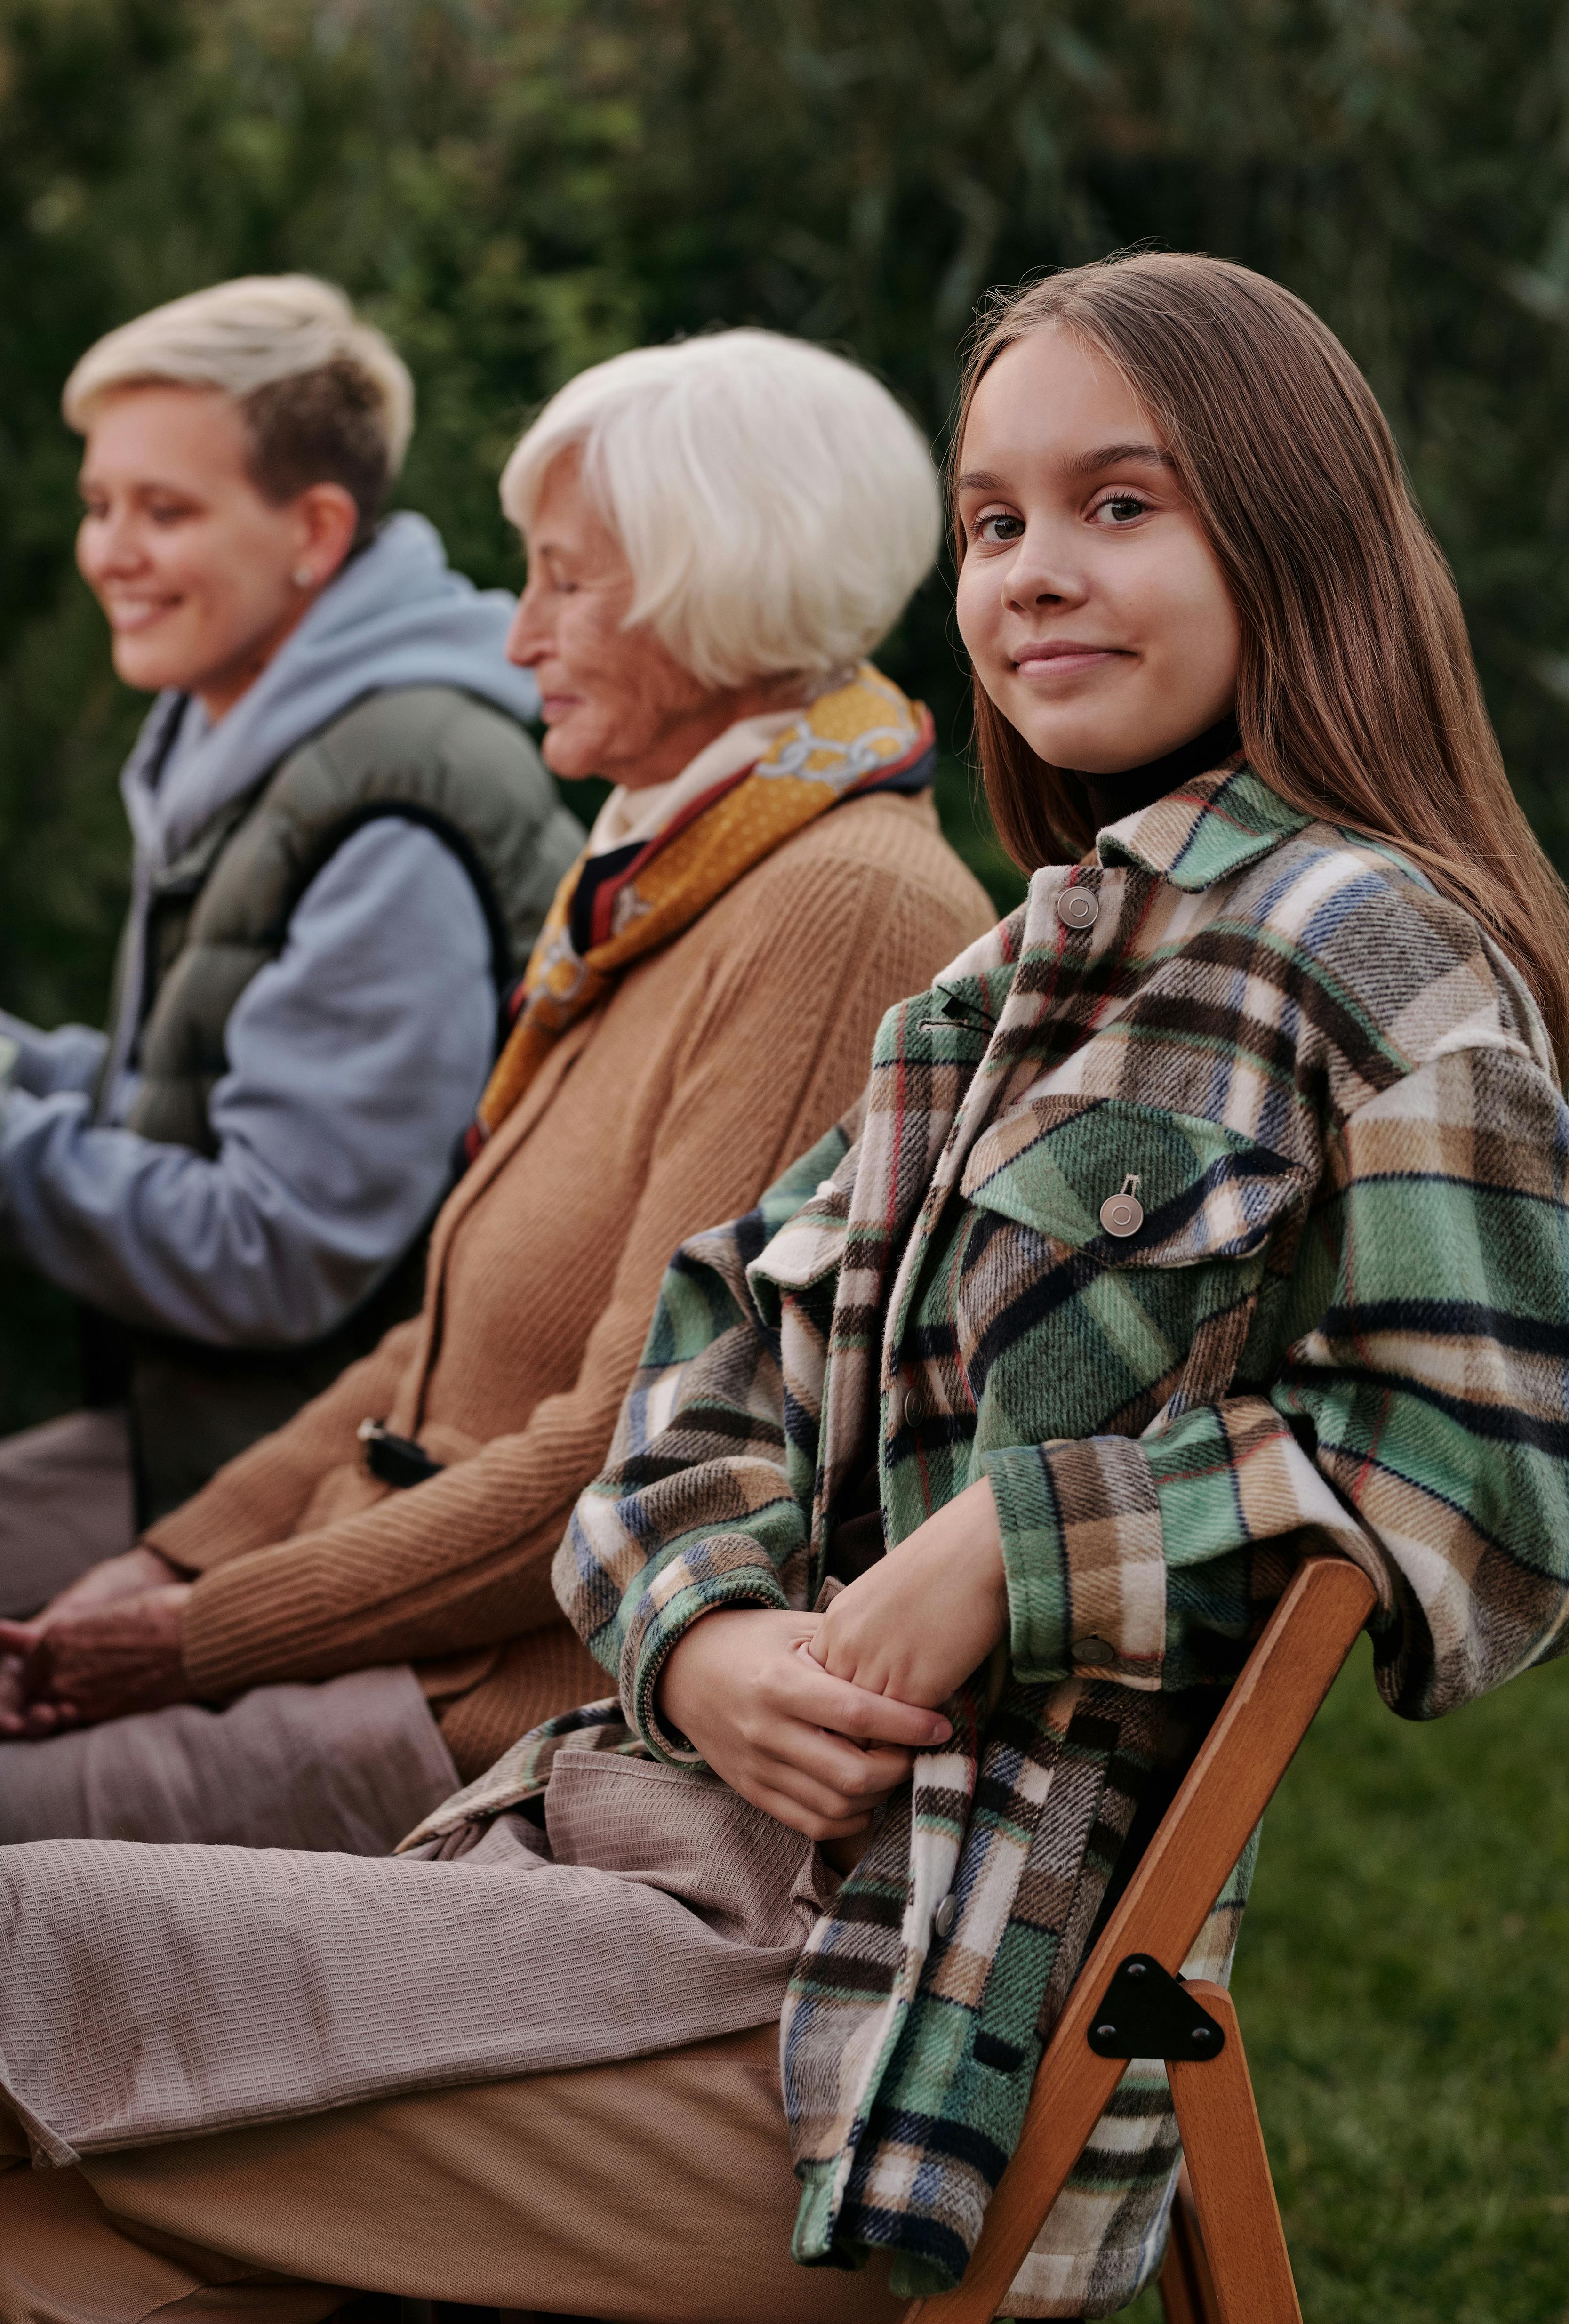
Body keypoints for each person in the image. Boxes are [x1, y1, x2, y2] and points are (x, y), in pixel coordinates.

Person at [5, 252, 1567, 2324]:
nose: (1030, 572)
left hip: (886, 2019)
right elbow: (692, 1369)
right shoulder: (995, 982)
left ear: (1292, 523)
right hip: (631, 1849)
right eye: (996, 520)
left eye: (1122, 503)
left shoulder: (1375, 951)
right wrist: (711, 1639)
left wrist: (1017, 1553)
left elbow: (1486, 1491)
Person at [0, 325, 994, 1856]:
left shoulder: (835, 905)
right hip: (383, 1622)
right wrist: (168, 1564)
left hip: (493, 1712)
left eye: (565, 581)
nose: (518, 634)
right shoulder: (668, 862)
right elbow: (435, 1355)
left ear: (712, 585)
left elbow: (615, 1457)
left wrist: (191, 1638)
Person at [0, 273, 583, 1592]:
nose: (109, 552)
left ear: (315, 530)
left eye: (165, 511)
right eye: (100, 507)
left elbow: (275, 1253)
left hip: (328, 1494)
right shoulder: (239, 731)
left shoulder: (393, 806)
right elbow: (201, 1083)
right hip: (186, 1434)